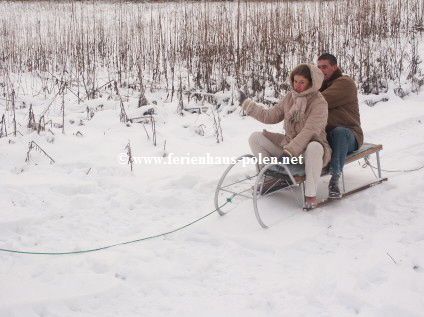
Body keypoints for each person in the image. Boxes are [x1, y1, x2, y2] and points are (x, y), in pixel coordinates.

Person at [239, 64, 331, 209]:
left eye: (302, 82)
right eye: (295, 81)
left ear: (311, 82)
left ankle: (311, 194)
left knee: (314, 147)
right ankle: (273, 178)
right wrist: (247, 105)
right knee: (255, 138)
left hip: (308, 151)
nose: (297, 86)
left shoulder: (319, 102)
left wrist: (290, 151)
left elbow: (310, 131)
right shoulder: (290, 97)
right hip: (288, 149)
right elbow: (270, 116)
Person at [317, 54, 363, 199]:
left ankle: (334, 179)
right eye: (318, 67)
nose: (321, 70)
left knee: (339, 132)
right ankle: (287, 172)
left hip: (350, 135)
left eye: (324, 67)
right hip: (327, 136)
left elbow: (321, 101)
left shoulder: (345, 83)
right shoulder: (319, 86)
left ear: (334, 67)